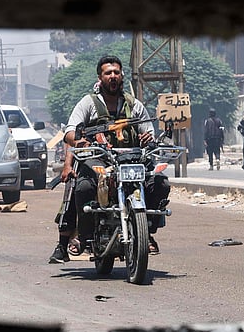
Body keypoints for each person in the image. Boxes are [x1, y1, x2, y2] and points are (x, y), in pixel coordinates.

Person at [49, 55, 169, 263]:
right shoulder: (88, 103)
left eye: (116, 72)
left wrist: (147, 137)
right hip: (98, 160)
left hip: (131, 161)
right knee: (83, 188)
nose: (113, 76)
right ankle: (84, 236)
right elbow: (70, 131)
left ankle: (147, 230)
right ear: (100, 77)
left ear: (121, 75)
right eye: (108, 73)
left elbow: (147, 131)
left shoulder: (134, 105)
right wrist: (77, 142)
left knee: (159, 182)